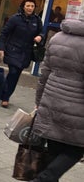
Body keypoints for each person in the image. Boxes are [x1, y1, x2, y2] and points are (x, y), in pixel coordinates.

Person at [30, 15, 84, 182]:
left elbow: (45, 72)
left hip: (52, 100)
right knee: (76, 149)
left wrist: (39, 101)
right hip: (78, 108)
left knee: (54, 149)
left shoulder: (58, 37)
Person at [0, 0, 44, 108]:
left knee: (16, 75)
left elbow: (42, 32)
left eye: (32, 6)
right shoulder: (15, 19)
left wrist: (40, 37)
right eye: (28, 6)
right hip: (13, 49)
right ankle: (5, 97)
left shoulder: (37, 20)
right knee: (13, 72)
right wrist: (1, 48)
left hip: (26, 52)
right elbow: (4, 33)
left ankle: (5, 94)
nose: (30, 8)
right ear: (23, 6)